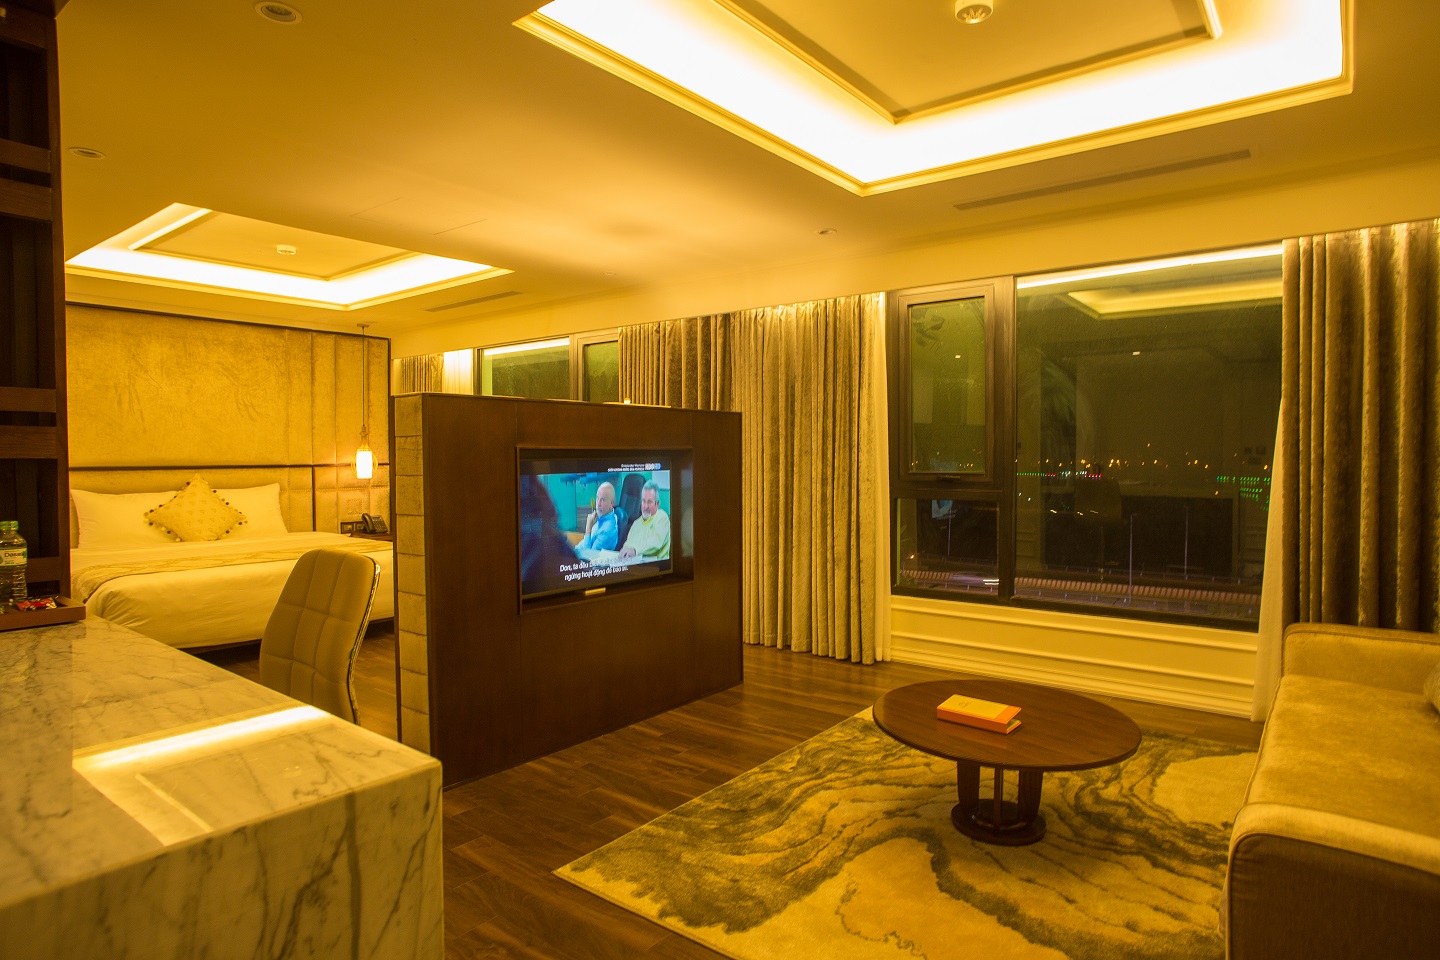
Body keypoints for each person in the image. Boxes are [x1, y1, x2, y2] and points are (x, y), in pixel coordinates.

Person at [619, 480, 670, 560]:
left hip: (658, 565)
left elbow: (656, 543)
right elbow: (627, 546)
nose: (645, 506)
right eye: (643, 501)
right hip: (636, 564)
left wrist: (635, 550)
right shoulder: (636, 523)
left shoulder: (662, 517)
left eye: (649, 502)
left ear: (657, 504)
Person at [576, 481, 619, 552]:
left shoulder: (608, 530)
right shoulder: (601, 516)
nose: (598, 504)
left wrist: (588, 528)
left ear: (611, 503)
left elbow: (588, 555)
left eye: (603, 500)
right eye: (597, 498)